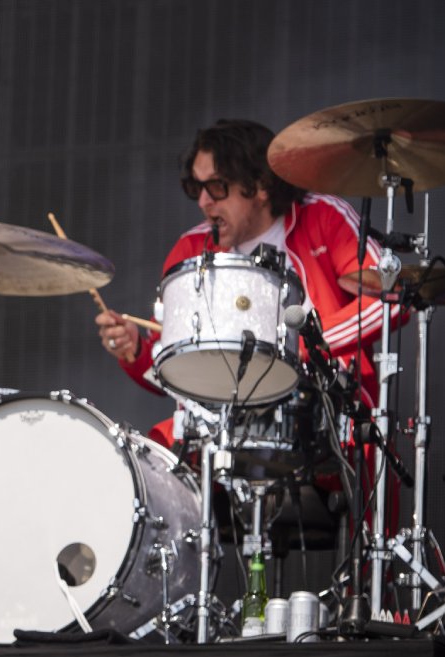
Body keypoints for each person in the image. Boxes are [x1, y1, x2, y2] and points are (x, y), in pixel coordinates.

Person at [94, 118, 406, 545]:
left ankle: (379, 597)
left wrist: (299, 345)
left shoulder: (322, 217)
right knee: (155, 455)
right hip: (221, 421)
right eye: (196, 188)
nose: (203, 201)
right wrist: (136, 354)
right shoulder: (191, 250)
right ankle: (173, 599)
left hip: (324, 412)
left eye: (217, 187)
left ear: (259, 184)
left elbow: (391, 299)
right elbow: (178, 371)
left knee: (372, 439)